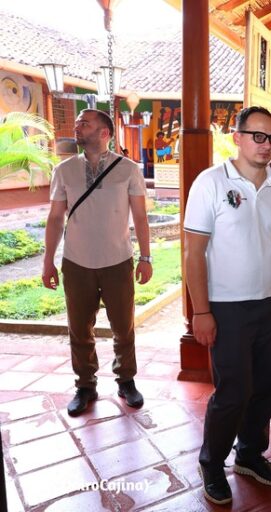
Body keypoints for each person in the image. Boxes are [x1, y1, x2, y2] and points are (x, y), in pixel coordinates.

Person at [183, 106, 271, 505]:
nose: (266, 145)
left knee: (268, 385)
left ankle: (249, 454)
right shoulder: (210, 183)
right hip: (226, 307)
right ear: (238, 136)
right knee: (233, 391)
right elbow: (193, 252)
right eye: (258, 136)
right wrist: (201, 311)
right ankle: (212, 464)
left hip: (270, 302)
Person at [42, 109, 151, 416]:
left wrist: (146, 256)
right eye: (77, 123)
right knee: (79, 328)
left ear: (104, 133)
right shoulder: (64, 170)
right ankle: (85, 385)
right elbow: (54, 218)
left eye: (85, 123)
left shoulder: (128, 169)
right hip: (76, 262)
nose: (77, 127)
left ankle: (126, 380)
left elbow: (140, 217)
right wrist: (48, 261)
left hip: (117, 261)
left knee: (123, 327)